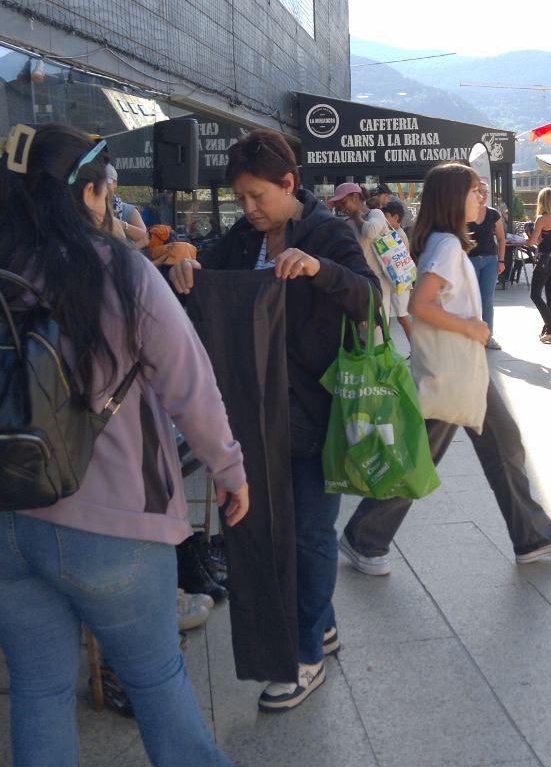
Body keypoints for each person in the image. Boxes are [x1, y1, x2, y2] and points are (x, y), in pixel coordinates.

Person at [0, 125, 247, 767]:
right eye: (110, 190)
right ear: (87, 193)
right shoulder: (118, 270)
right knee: (155, 682)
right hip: (108, 521)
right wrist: (229, 469)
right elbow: (190, 388)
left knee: (38, 685)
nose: (113, 204)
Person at [167, 129, 378, 710]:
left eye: (259, 196)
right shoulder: (241, 239)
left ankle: (306, 653)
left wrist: (318, 270)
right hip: (252, 415)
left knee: (309, 533)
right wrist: (186, 271)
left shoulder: (329, 231)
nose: (250, 209)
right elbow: (202, 274)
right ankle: (323, 622)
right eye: (241, 199)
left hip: (314, 411)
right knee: (262, 530)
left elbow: (369, 299)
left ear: (290, 184)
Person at [340, 162, 551, 573]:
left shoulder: (443, 241)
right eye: (475, 191)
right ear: (454, 198)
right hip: (454, 369)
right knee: (437, 454)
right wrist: (470, 326)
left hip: (459, 368)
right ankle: (365, 539)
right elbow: (420, 305)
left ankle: (532, 537)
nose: (482, 197)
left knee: (502, 443)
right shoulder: (448, 246)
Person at [330, 182, 410, 349]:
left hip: (378, 283)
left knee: (377, 336)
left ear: (356, 197)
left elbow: (369, 232)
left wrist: (356, 215)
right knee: (361, 336)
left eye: (344, 203)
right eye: (338, 205)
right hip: (356, 283)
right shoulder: (347, 224)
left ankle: (379, 370)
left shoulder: (376, 214)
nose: (342, 208)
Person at [466, 179, 506, 349]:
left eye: (486, 192)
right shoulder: (466, 213)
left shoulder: (493, 214)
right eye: (479, 191)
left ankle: (488, 336)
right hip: (471, 260)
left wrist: (502, 260)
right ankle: (472, 335)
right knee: (471, 300)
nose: (483, 195)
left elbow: (502, 238)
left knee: (487, 300)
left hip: (490, 260)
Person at [527, 186, 551, 342]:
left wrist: (528, 236)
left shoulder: (542, 219)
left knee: (535, 294)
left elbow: (532, 242)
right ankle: (550, 330)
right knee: (550, 295)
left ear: (541, 201)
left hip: (544, 260)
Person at [381, 198, 415, 344]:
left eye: (386, 217)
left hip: (400, 282)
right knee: (388, 315)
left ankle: (416, 347)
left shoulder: (397, 235)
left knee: (402, 316)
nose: (384, 221)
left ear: (395, 218)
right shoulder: (395, 233)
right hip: (396, 281)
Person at [106, 165, 149, 249]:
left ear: (115, 183)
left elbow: (144, 237)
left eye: (106, 183)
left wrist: (118, 223)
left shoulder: (127, 210)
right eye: (98, 184)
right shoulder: (86, 209)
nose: (103, 188)